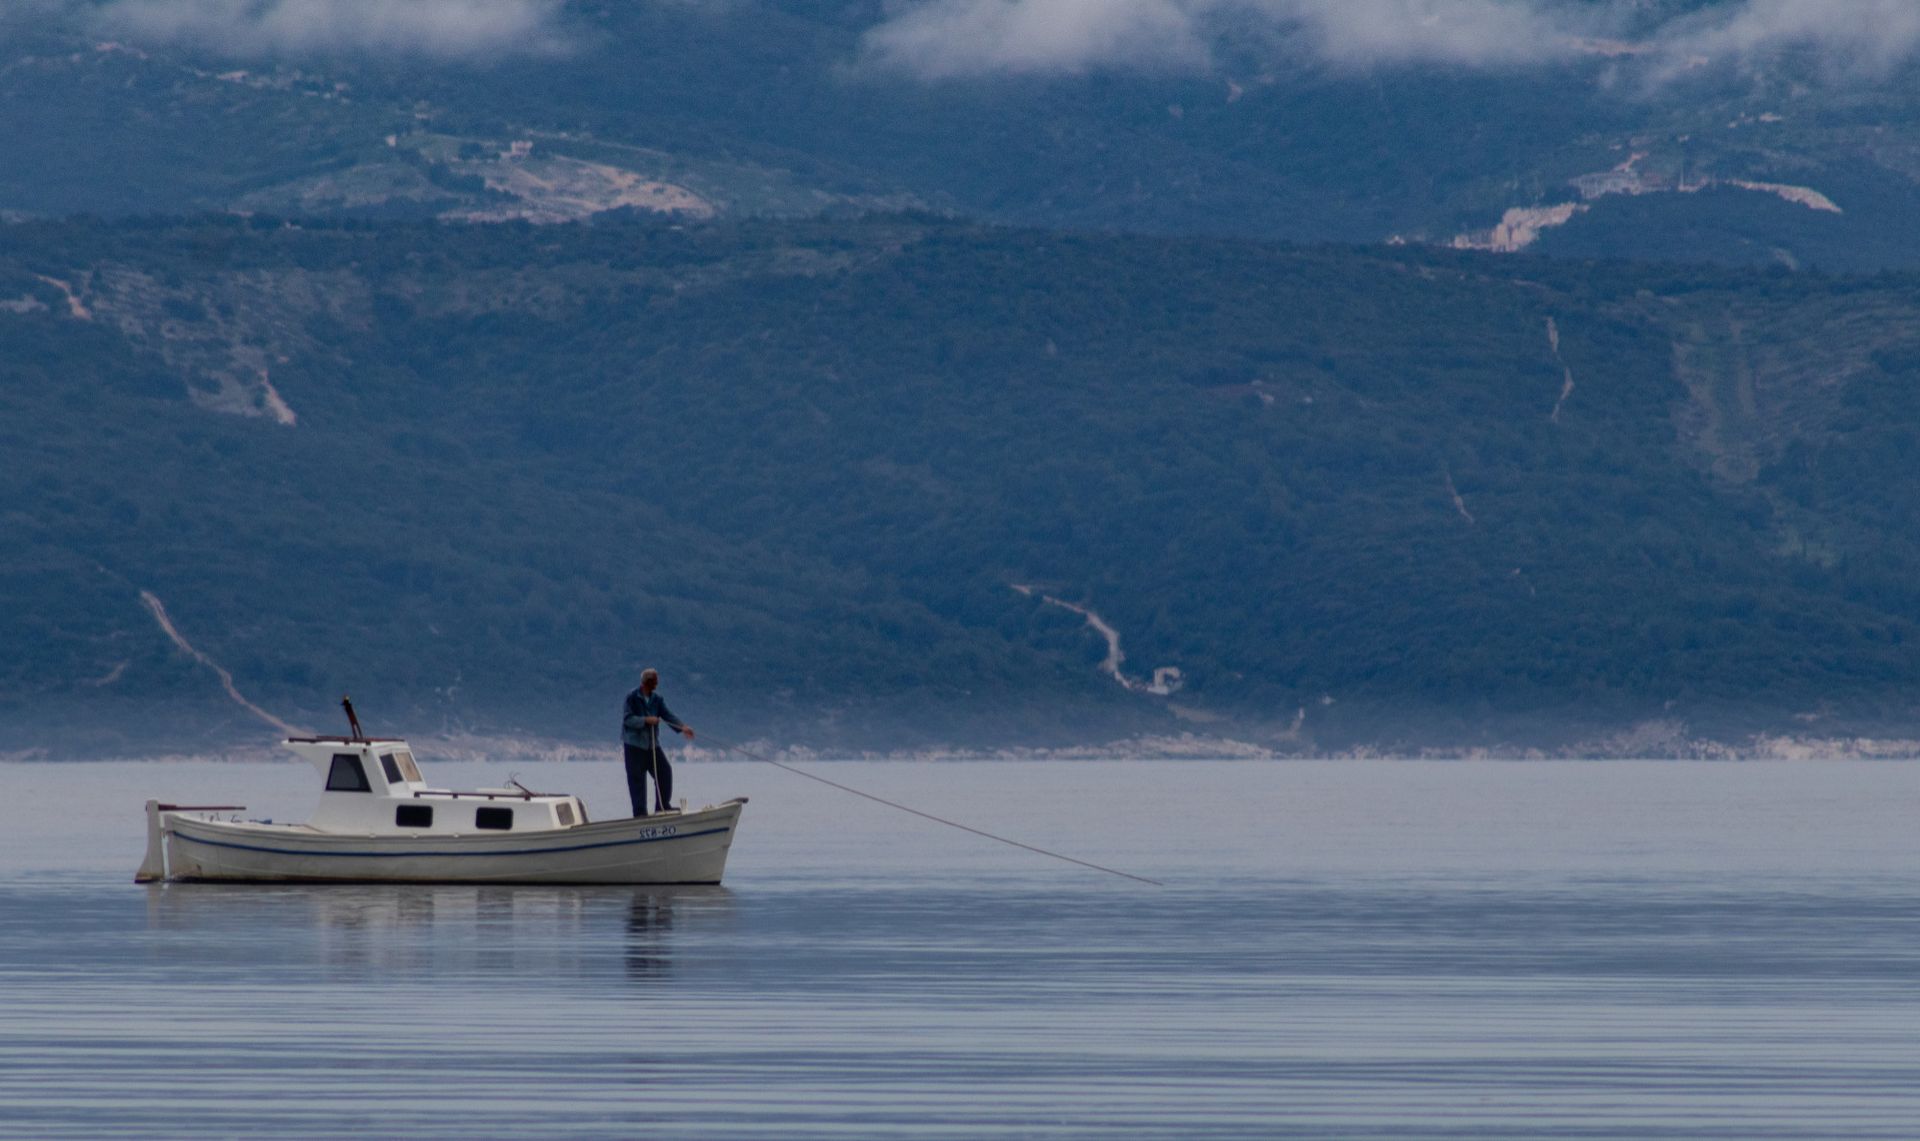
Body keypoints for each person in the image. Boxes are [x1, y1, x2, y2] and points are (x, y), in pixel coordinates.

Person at [622, 668, 693, 817]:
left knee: (664, 772)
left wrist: (683, 727)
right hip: (634, 746)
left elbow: (667, 715)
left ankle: (662, 806)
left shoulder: (657, 699)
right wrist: (646, 720)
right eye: (655, 681)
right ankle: (640, 814)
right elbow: (628, 720)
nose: (657, 684)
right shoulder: (632, 697)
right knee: (637, 781)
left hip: (652, 745)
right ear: (647, 682)